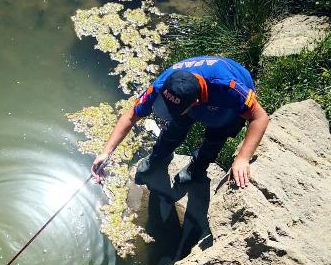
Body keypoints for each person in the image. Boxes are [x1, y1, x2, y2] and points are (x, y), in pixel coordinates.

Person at [91, 56, 269, 189]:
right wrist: (106, 152)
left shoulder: (227, 88)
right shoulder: (164, 83)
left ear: (195, 104)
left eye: (171, 110)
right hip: (189, 103)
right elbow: (131, 115)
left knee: (216, 136)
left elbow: (260, 117)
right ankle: (158, 158)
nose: (165, 113)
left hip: (225, 108)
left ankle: (196, 168)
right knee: (174, 129)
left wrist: (242, 158)